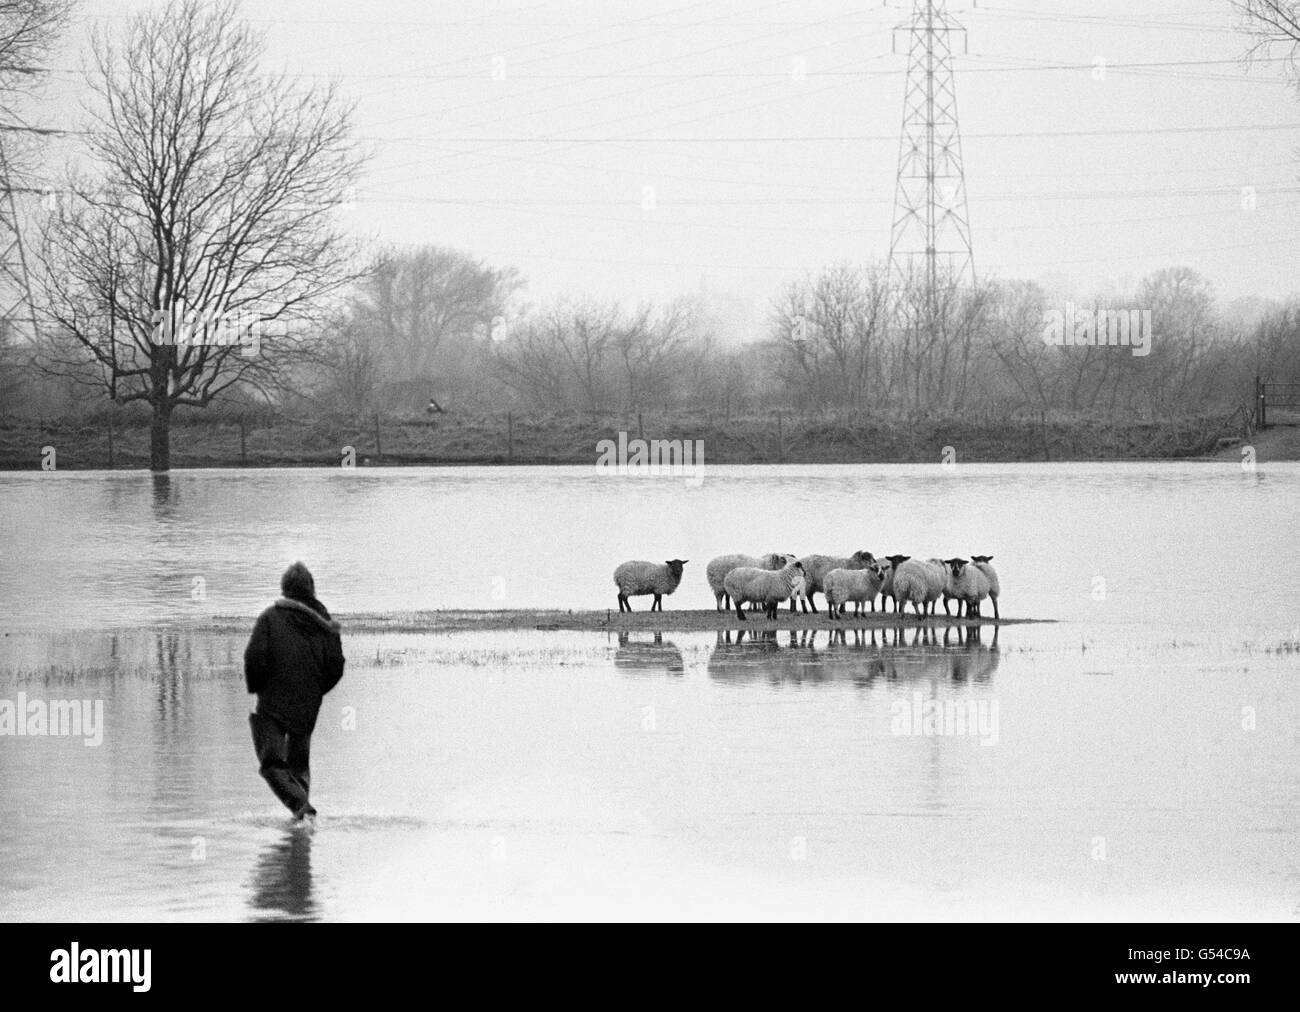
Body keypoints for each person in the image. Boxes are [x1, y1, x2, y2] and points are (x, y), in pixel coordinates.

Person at [244, 562, 345, 824]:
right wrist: (316, 691)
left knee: (271, 762)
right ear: (311, 589)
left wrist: (257, 688)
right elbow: (336, 666)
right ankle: (302, 819)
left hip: (272, 703)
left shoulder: (269, 617)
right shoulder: (326, 624)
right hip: (307, 704)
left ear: (285, 589)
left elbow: (254, 658)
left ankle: (301, 808)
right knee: (299, 764)